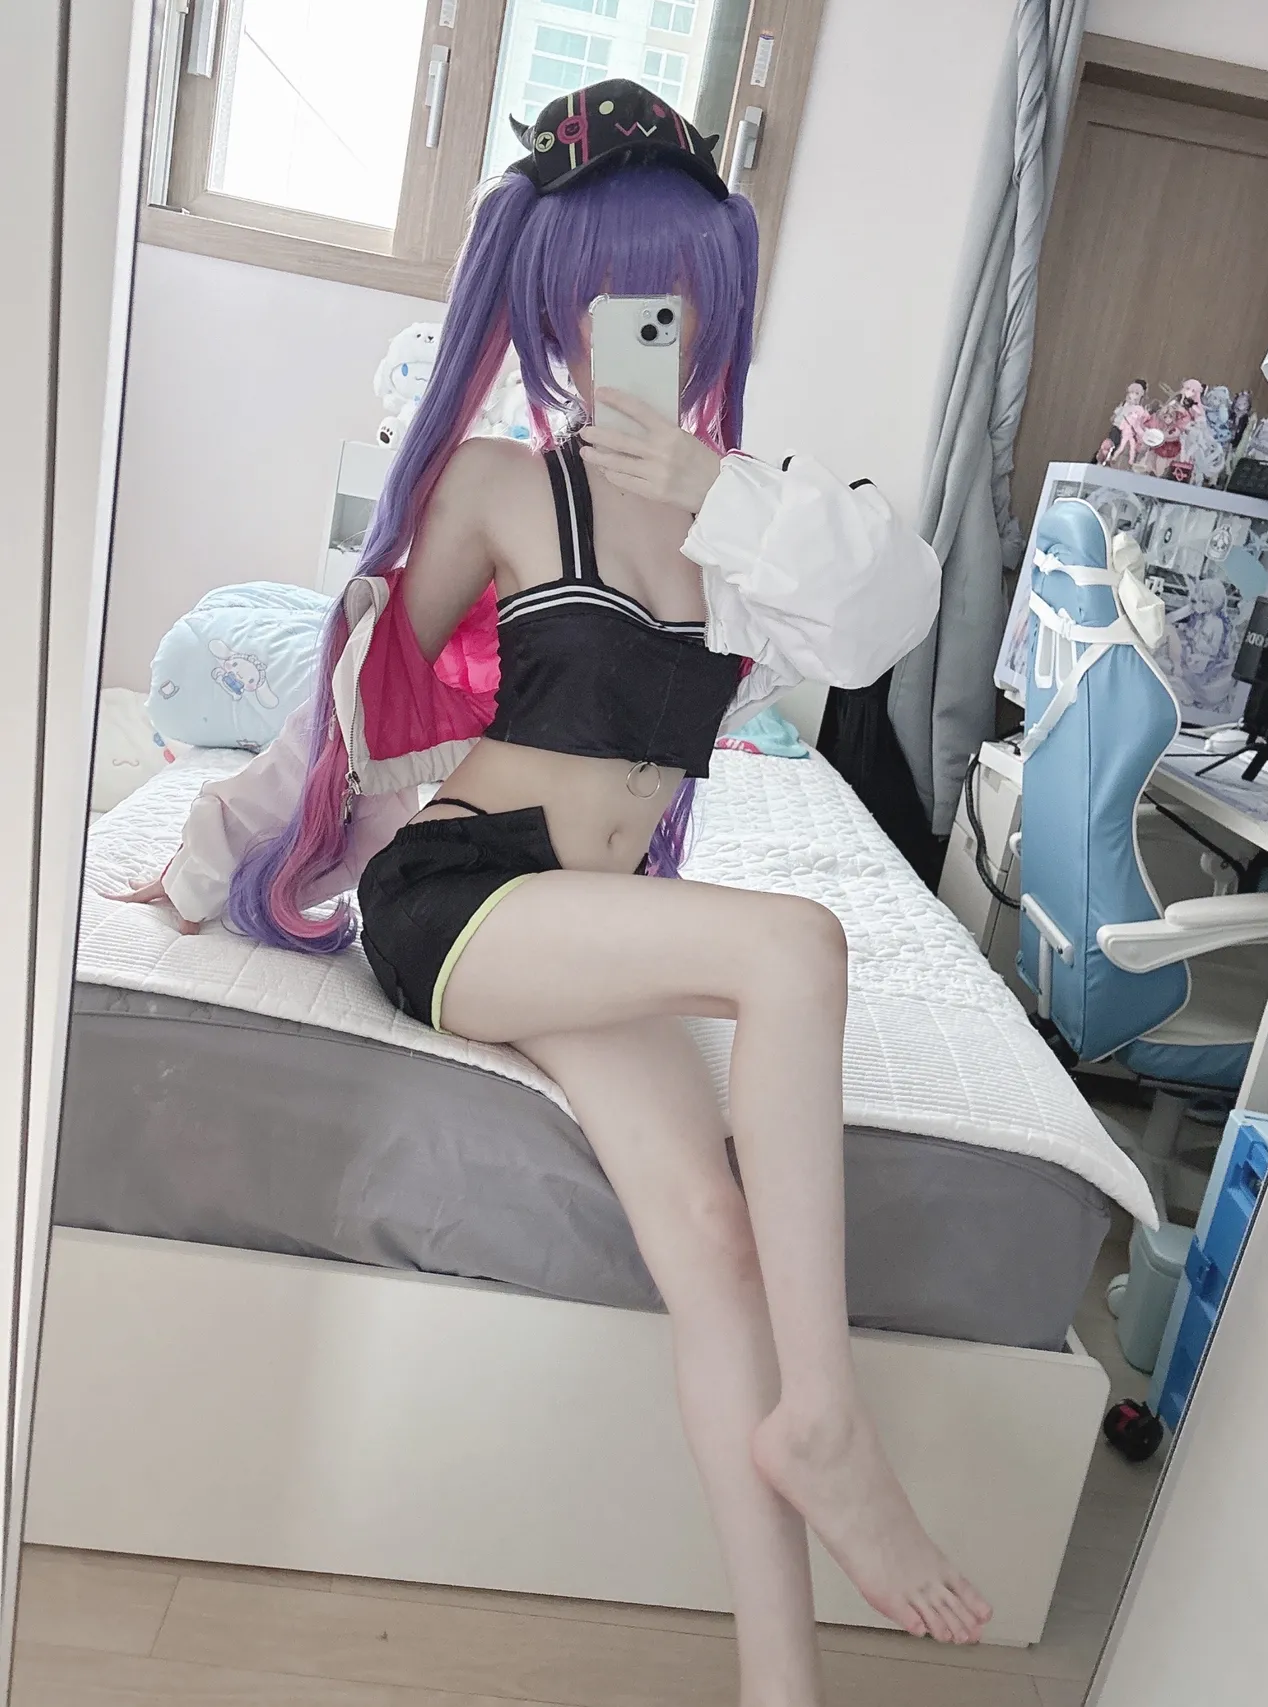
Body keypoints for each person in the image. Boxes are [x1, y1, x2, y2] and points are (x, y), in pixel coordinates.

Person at [116, 78, 991, 1701]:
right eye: (605, 299)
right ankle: (826, 1416)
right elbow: (347, 706)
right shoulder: (502, 485)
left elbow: (888, 616)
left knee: (715, 1234)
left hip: (588, 929)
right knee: (795, 947)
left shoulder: (750, 525)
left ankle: (781, 1686)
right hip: (462, 896)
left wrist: (716, 488)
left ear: (716, 302)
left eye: (671, 298)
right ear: (549, 310)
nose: (638, 332)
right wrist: (204, 861)